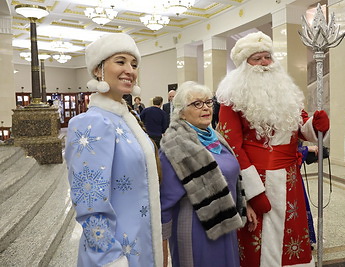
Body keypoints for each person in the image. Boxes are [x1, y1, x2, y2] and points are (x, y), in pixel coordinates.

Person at [215, 31, 329, 267]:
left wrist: (316, 125)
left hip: (290, 179)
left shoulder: (287, 93)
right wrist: (253, 192)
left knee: (291, 238)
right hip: (258, 180)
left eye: (267, 57)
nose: (264, 63)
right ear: (244, 64)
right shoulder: (231, 98)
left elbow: (302, 131)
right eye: (256, 58)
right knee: (259, 241)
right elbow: (231, 147)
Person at [64, 33, 163, 267]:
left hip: (141, 243)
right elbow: (90, 202)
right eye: (120, 61)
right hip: (116, 253)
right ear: (98, 70)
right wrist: (110, 257)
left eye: (134, 64)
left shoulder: (127, 119)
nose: (129, 70)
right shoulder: (92, 123)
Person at [159, 81, 247, 267]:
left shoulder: (214, 136)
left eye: (208, 102)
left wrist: (245, 204)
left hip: (226, 222)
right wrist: (162, 241)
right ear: (181, 111)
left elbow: (232, 178)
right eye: (197, 104)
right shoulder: (175, 144)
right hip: (195, 228)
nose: (206, 108)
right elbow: (166, 200)